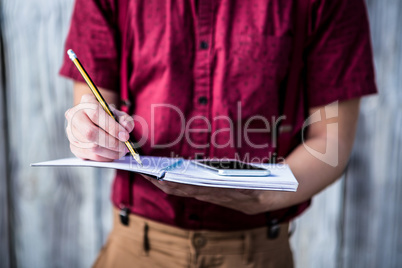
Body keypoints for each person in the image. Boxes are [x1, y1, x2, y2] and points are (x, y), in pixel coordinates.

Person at [60, 0, 377, 267]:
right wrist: (87, 127)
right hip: (134, 248)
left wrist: (265, 194)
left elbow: (330, 142)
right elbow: (93, 108)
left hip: (259, 252)